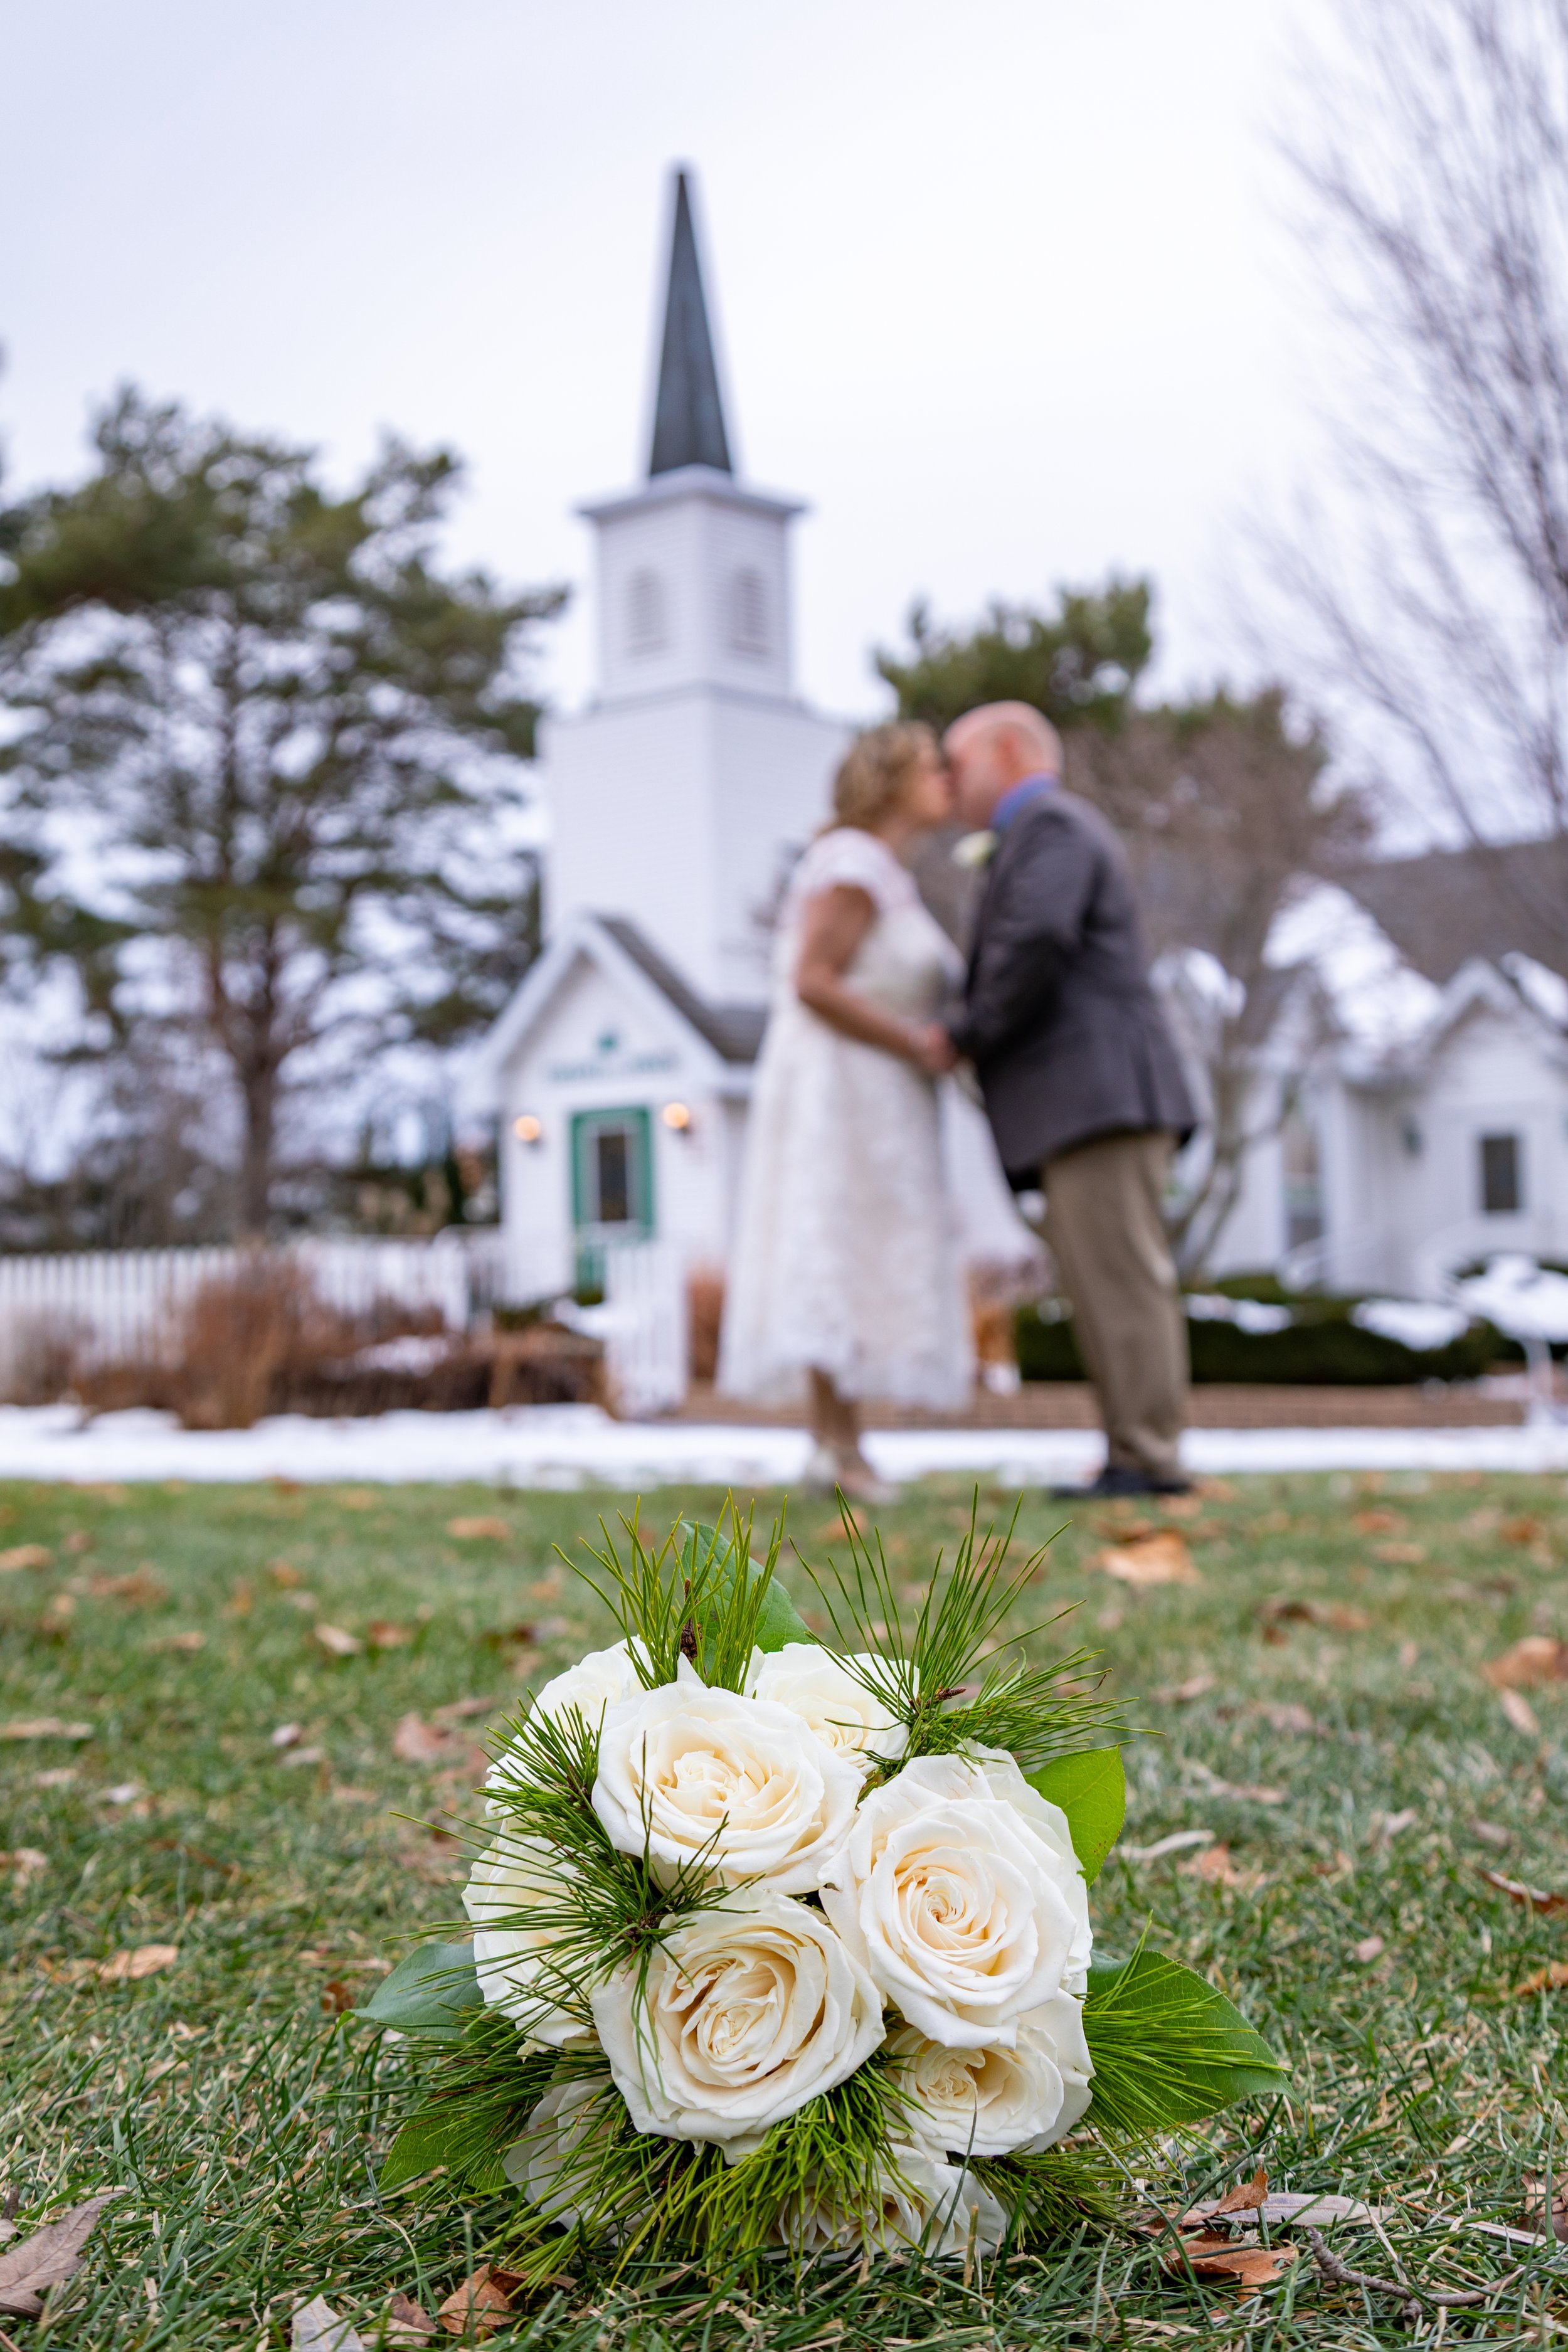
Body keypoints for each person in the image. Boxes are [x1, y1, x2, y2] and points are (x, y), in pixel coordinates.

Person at [945, 701, 1197, 1498]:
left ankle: (1148, 1456)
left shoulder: (1051, 826)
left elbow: (1038, 937)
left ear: (1007, 751)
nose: (949, 785)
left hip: (1102, 1099)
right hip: (1088, 1103)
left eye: (957, 765)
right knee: (1103, 1284)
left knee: (1122, 1280)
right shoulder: (1040, 832)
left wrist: (968, 1030)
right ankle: (1133, 1451)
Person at [718, 721, 973, 1501]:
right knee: (831, 1244)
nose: (947, 780)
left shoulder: (882, 872)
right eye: (931, 768)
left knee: (858, 1250)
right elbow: (814, 981)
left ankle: (840, 1444)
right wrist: (913, 1042)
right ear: (889, 782)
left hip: (877, 1095)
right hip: (840, 1092)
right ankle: (836, 1446)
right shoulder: (853, 866)